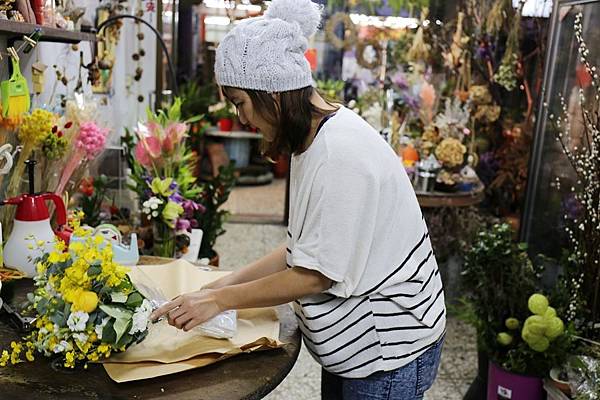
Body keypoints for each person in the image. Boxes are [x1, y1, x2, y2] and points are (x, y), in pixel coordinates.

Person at [150, 0, 446, 398]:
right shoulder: (315, 137)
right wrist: (222, 283)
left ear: (271, 92)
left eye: (239, 101)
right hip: (359, 346)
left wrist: (220, 300)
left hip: (387, 348)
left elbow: (314, 274)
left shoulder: (340, 154)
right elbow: (303, 248)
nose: (240, 117)